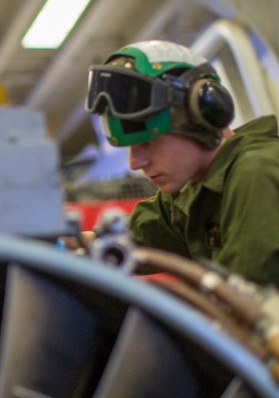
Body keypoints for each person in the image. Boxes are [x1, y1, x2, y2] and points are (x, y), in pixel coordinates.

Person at [84, 39, 279, 286]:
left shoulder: (256, 172)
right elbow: (124, 241)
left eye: (147, 142)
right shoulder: (193, 189)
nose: (135, 163)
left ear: (204, 114)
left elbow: (246, 306)